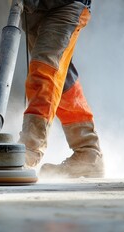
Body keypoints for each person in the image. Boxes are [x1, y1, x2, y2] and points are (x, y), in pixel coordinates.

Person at [19, 0, 104, 178]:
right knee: (60, 76)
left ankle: (29, 149)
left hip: (67, 5)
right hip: (33, 9)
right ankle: (88, 153)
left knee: (45, 70)